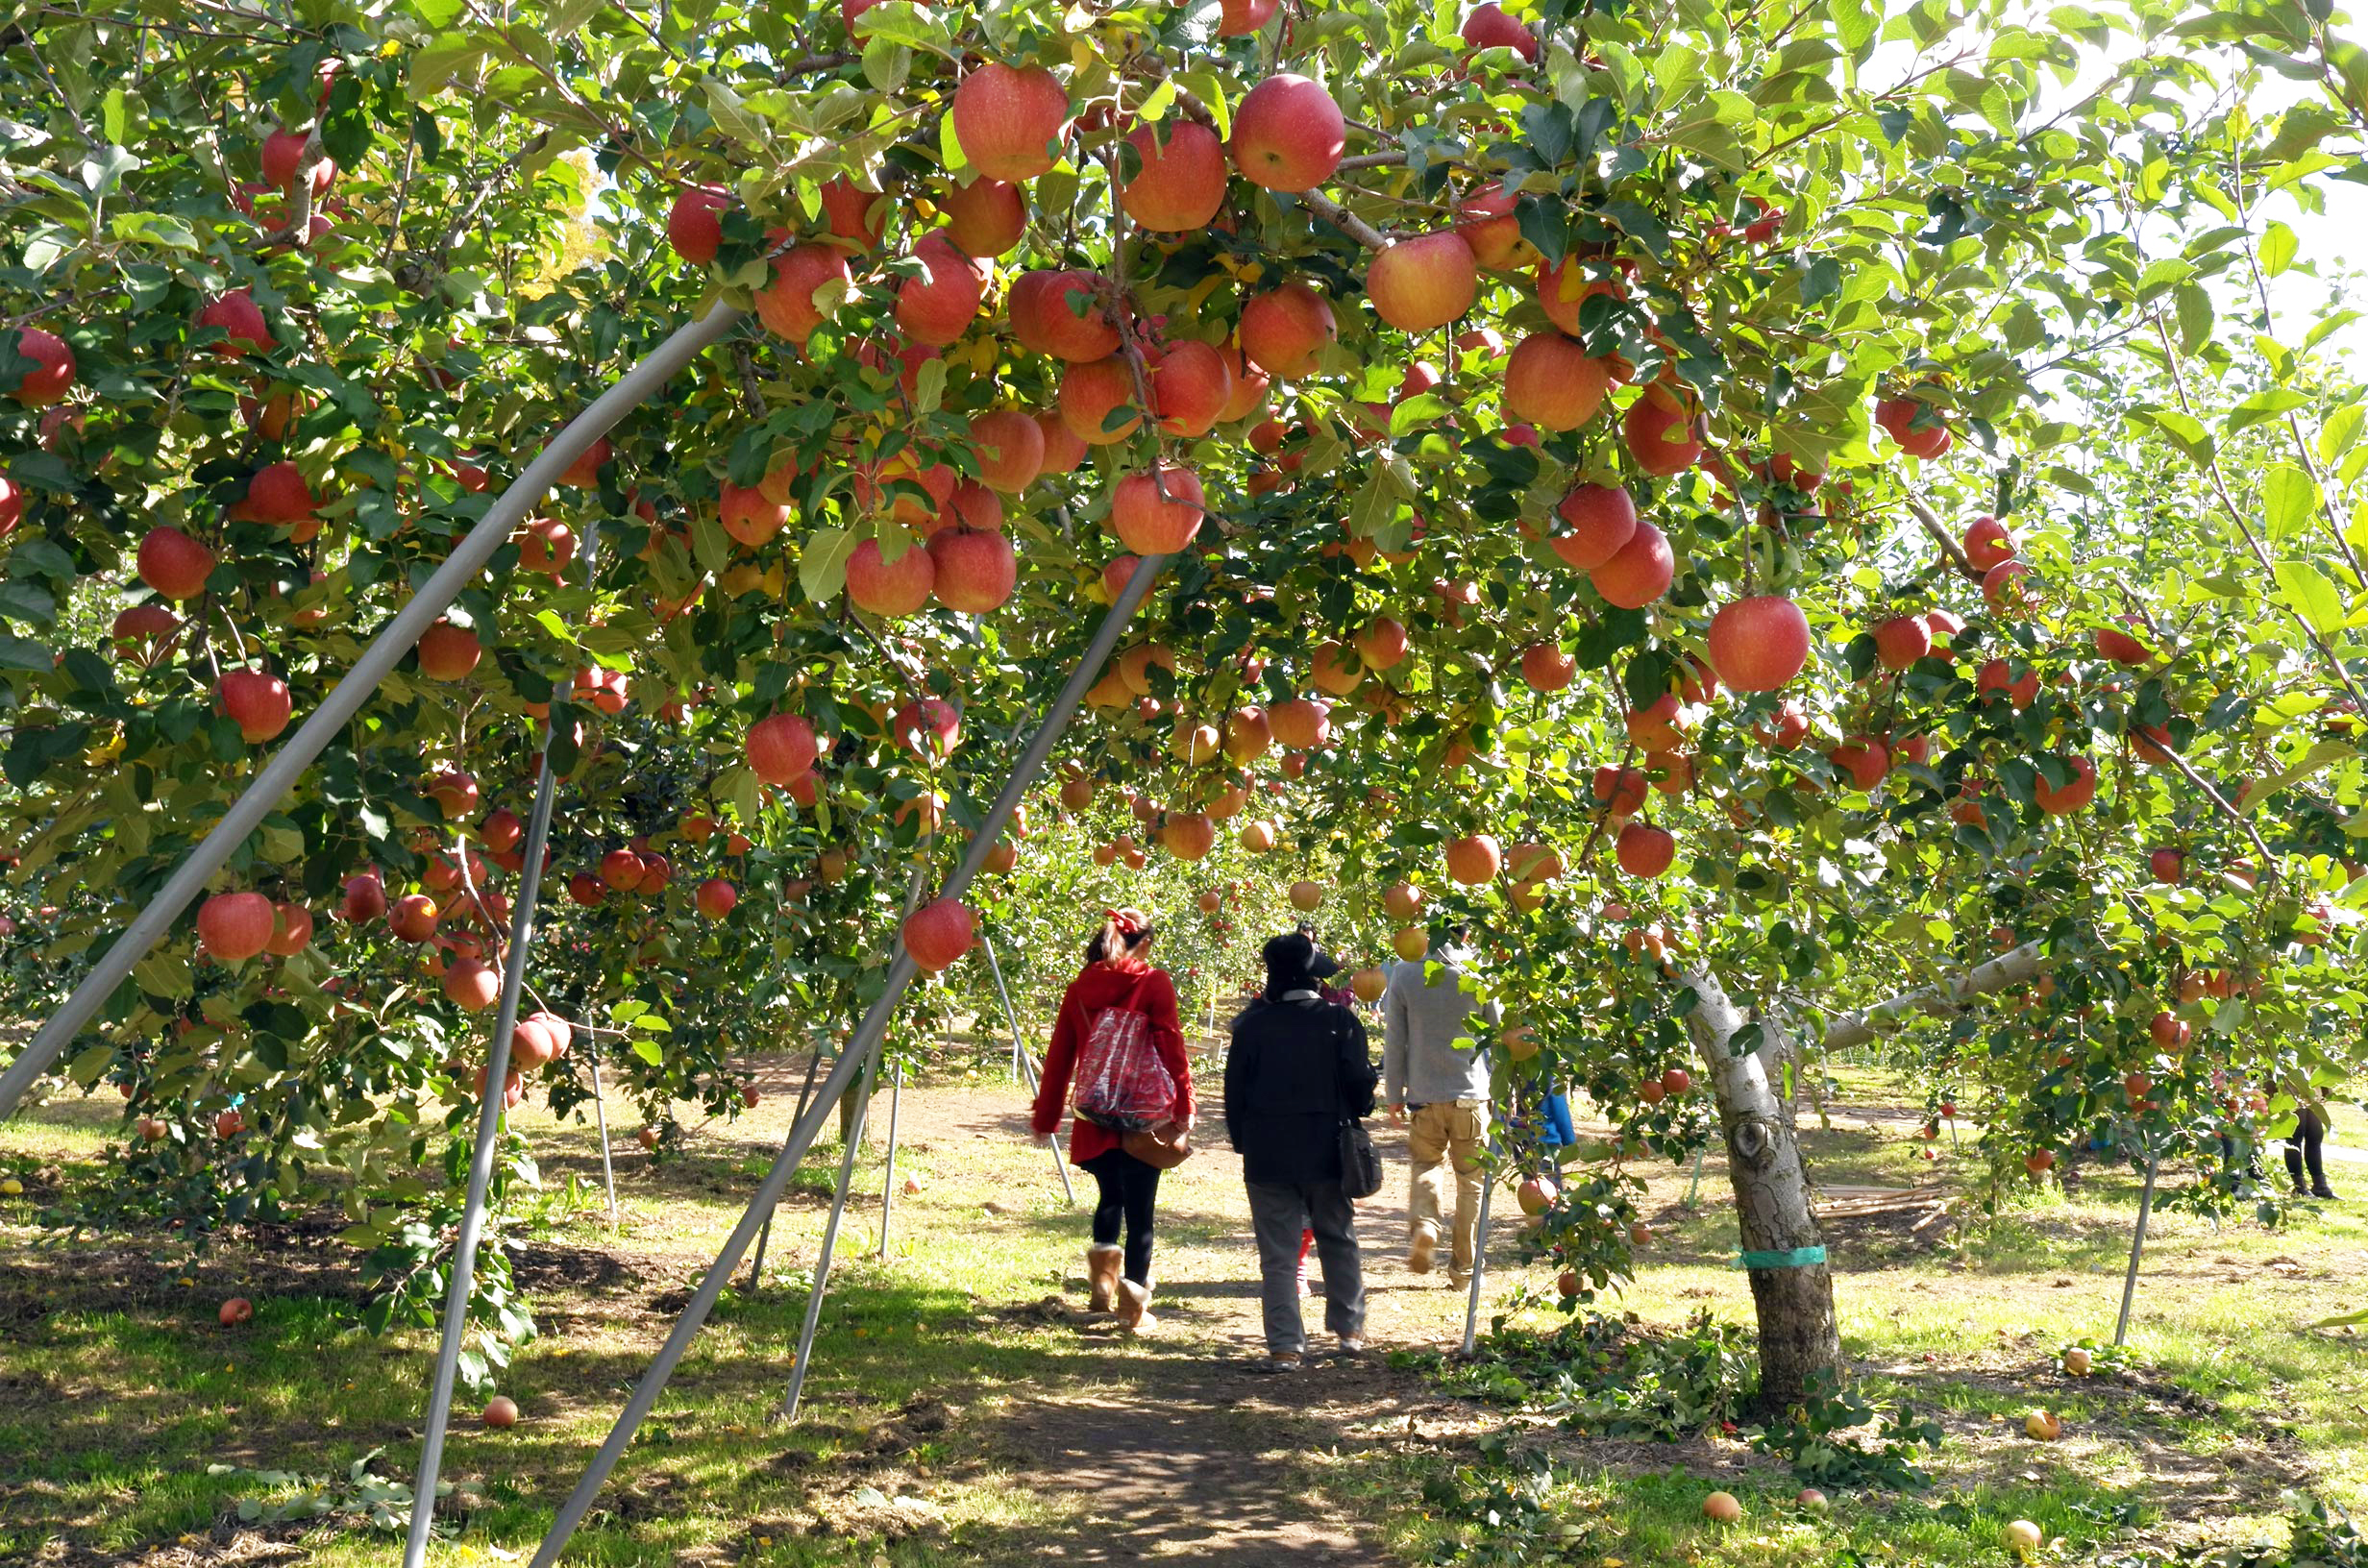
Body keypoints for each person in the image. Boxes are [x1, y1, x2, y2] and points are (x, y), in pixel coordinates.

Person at [1031, 906, 1194, 1332]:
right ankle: (1132, 1308)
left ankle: (1102, 1288)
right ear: (1144, 943)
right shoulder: (1153, 983)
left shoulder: (1080, 988)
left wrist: (1047, 1116)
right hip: (1140, 1115)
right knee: (1141, 1211)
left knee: (1110, 1197)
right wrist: (1184, 1102)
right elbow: (1171, 1044)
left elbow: (1061, 1055)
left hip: (1096, 1112)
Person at [1225, 930, 1378, 1371]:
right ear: (1313, 979)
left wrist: (1245, 1143)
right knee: (1337, 1237)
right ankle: (1349, 1330)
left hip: (1267, 1153)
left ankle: (1285, 1347)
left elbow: (1234, 1093)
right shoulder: (1339, 1022)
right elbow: (1358, 1086)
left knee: (1277, 1253)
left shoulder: (1251, 1026)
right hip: (1326, 1150)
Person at [1383, 923, 1497, 1287]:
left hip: (1424, 1095)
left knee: (1426, 1164)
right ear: (1466, 934)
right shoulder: (1479, 973)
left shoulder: (1404, 973)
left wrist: (1393, 1095)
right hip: (1471, 1093)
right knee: (1471, 1182)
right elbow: (1497, 1031)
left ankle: (1427, 1225)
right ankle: (1463, 1270)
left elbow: (1395, 1040)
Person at [2286, 1104, 2337, 1199]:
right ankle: (2299, 1188)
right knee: (2296, 1133)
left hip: (2311, 1091)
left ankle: (2320, 1186)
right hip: (2292, 1091)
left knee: (2315, 1133)